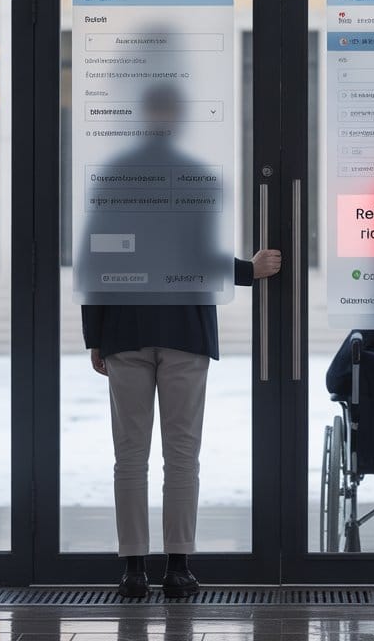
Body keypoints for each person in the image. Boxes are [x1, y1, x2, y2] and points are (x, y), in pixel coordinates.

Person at [83, 249, 279, 598]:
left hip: (123, 328)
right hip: (186, 329)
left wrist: (96, 336)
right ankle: (177, 567)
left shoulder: (115, 195)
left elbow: (98, 259)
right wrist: (248, 270)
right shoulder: (189, 192)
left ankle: (134, 570)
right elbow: (198, 251)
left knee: (129, 457)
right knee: (182, 455)